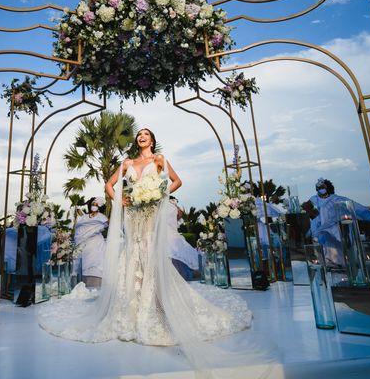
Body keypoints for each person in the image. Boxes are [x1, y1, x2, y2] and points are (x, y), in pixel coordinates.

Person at [38, 128, 260, 374]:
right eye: (139, 134)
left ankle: (156, 305)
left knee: (151, 255)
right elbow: (109, 185)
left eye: (146, 134)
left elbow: (177, 182)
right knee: (132, 253)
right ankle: (130, 308)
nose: (141, 136)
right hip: (132, 216)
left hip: (151, 215)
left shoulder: (160, 160)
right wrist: (120, 199)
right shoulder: (128, 162)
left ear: (152, 140)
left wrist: (158, 195)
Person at [305, 178, 370, 267]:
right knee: (327, 247)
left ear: (328, 187)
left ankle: (346, 265)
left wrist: (367, 214)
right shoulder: (315, 198)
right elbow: (305, 206)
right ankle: (332, 265)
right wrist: (314, 216)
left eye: (322, 187)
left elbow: (355, 207)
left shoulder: (338, 199)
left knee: (342, 246)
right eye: (319, 188)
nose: (321, 189)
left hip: (338, 227)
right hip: (324, 227)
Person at [74, 197, 108, 288]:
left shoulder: (102, 217)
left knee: (95, 263)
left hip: (96, 243)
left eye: (96, 205)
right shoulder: (84, 217)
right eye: (93, 204)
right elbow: (79, 228)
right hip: (84, 244)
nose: (94, 206)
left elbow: (106, 227)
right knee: (86, 264)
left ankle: (96, 285)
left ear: (99, 207)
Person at [167, 196, 199, 280]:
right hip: (169, 234)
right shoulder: (168, 207)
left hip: (170, 233)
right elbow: (179, 216)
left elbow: (179, 216)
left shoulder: (170, 206)